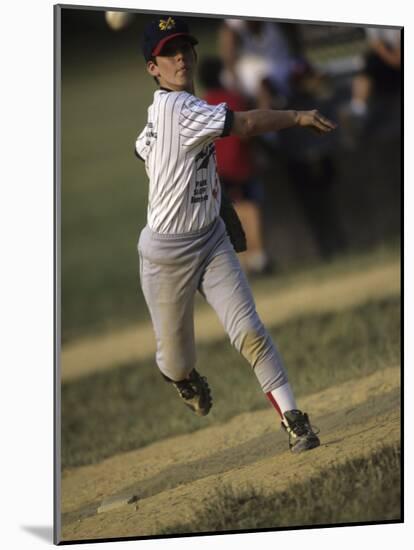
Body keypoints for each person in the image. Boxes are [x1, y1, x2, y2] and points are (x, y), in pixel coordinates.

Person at [135, 15, 336, 453]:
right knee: (176, 359)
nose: (180, 58)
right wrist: (298, 115)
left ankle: (294, 419)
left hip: (209, 240)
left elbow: (141, 148)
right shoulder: (178, 108)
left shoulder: (165, 111)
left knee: (250, 331)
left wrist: (203, 198)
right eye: (168, 53)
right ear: (153, 67)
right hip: (166, 255)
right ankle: (182, 379)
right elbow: (244, 126)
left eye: (184, 48)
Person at [198, 55, 273, 276]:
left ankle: (245, 261)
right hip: (239, 164)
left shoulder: (203, 103)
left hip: (217, 168)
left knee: (233, 212)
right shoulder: (233, 98)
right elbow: (248, 130)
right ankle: (256, 257)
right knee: (248, 207)